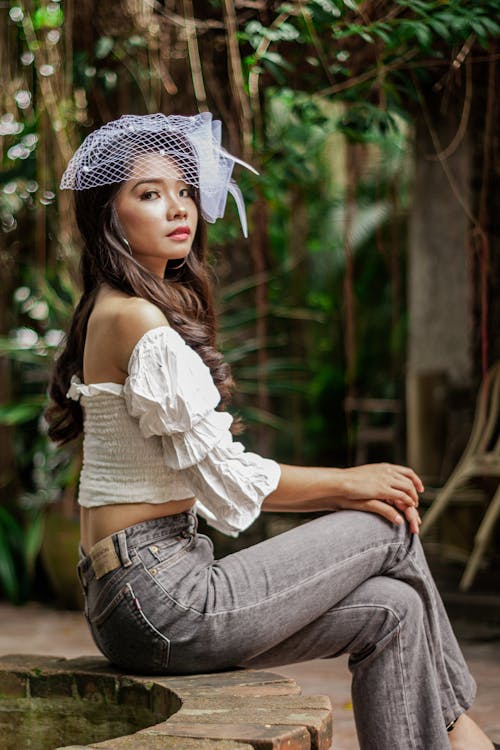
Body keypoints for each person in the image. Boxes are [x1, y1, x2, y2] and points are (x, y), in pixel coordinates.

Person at [46, 112, 497, 750]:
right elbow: (228, 485)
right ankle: (458, 728)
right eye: (149, 194)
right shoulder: (136, 318)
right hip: (162, 598)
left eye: (183, 189)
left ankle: (447, 729)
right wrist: (349, 482)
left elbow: (196, 477)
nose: (179, 207)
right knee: (388, 523)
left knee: (396, 609)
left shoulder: (116, 304)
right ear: (108, 217)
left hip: (142, 594)